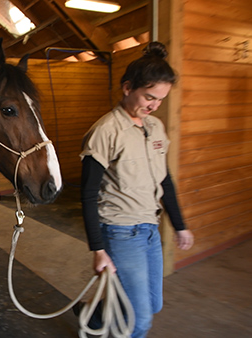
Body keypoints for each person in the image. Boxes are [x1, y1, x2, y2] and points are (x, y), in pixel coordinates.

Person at [78, 41, 194, 338]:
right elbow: (88, 193)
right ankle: (105, 318)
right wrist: (98, 250)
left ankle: (94, 313)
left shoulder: (155, 127)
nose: (154, 106)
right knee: (140, 320)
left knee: (152, 304)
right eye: (149, 97)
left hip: (150, 229)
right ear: (128, 88)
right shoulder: (106, 131)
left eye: (160, 100)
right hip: (120, 230)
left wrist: (179, 226)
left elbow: (164, 180)